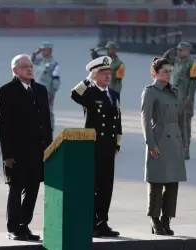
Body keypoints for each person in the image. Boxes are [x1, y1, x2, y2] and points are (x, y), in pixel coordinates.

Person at [0, 54, 52, 241]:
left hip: (37, 151)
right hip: (17, 153)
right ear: (15, 70)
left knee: (33, 190)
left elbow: (46, 122)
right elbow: (3, 125)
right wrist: (7, 154)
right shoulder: (6, 91)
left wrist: (50, 149)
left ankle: (24, 224)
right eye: (24, 66)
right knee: (16, 189)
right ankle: (13, 227)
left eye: (31, 66)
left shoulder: (40, 90)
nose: (29, 69)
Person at [70, 56, 122, 237]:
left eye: (109, 73)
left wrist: (117, 144)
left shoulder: (114, 95)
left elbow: (118, 122)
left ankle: (102, 222)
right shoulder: (90, 93)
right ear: (95, 75)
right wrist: (87, 79)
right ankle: (89, 222)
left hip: (108, 147)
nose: (108, 77)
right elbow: (74, 94)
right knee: (92, 186)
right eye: (103, 73)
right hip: (93, 146)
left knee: (106, 186)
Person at [141, 57, 187, 235]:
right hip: (159, 138)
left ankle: (167, 219)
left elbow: (181, 118)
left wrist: (184, 142)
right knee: (157, 182)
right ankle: (155, 220)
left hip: (174, 140)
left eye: (169, 71)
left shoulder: (174, 91)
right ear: (155, 73)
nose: (168, 75)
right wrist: (150, 143)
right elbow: (145, 120)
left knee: (172, 183)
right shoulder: (150, 91)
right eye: (164, 72)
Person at [164, 41, 196, 160]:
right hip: (175, 98)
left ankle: (185, 151)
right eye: (178, 50)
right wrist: (167, 53)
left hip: (185, 99)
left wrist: (190, 97)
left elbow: (194, 83)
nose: (178, 52)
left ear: (187, 51)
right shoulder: (177, 61)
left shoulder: (192, 64)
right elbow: (163, 63)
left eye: (180, 50)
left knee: (185, 126)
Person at [31, 42, 60, 132]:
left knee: (48, 110)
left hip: (47, 91)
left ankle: (49, 128)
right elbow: (32, 60)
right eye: (42, 50)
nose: (42, 52)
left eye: (44, 50)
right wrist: (36, 52)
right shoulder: (41, 61)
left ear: (49, 50)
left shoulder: (54, 64)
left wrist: (51, 93)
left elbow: (56, 80)